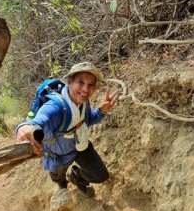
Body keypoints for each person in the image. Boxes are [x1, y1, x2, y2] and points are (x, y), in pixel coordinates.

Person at [16, 62, 118, 197]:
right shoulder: (55, 106)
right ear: (69, 82)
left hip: (81, 147)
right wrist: (23, 127)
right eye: (80, 82)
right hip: (58, 155)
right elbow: (40, 119)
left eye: (91, 84)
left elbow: (87, 121)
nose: (86, 89)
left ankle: (77, 178)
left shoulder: (83, 101)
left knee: (101, 175)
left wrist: (101, 111)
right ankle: (63, 186)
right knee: (58, 179)